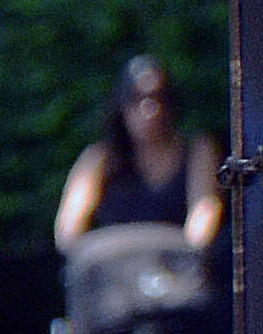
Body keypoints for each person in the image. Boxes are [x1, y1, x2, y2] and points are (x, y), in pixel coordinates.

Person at [51, 58, 210, 260]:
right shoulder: (99, 159)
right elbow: (68, 231)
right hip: (115, 272)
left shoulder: (197, 150)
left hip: (174, 274)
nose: (149, 111)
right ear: (121, 107)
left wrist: (179, 258)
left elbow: (203, 217)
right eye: (136, 99)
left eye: (158, 98)